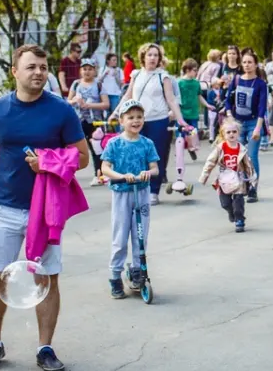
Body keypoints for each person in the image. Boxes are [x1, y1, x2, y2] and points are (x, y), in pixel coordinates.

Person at [0, 44, 90, 371]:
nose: (39, 72)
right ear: (14, 71)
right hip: (5, 208)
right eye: (32, 67)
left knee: (47, 277)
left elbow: (84, 156)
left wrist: (48, 162)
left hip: (46, 210)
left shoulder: (61, 110)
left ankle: (45, 347)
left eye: (43, 67)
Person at [114, 43, 191, 198]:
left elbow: (171, 99)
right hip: (136, 120)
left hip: (158, 120)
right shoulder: (136, 74)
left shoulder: (163, 76)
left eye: (156, 55)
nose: (153, 58)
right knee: (134, 153)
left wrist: (180, 120)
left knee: (156, 155)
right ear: (143, 57)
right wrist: (116, 113)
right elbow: (128, 96)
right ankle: (136, 187)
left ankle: (153, 191)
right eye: (150, 54)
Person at [100, 99, 160, 298]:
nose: (136, 121)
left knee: (140, 234)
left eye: (139, 117)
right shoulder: (114, 143)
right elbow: (105, 168)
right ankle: (115, 276)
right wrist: (120, 176)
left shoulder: (147, 143)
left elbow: (155, 168)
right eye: (131, 117)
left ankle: (137, 270)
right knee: (120, 235)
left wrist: (147, 173)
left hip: (141, 193)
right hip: (122, 193)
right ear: (122, 120)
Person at [199, 117, 257, 233]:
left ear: (238, 133)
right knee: (225, 204)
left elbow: (249, 166)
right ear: (223, 134)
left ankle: (239, 220)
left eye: (234, 132)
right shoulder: (220, 148)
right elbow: (210, 162)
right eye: (228, 132)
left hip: (238, 179)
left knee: (238, 202)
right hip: (224, 180)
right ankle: (231, 212)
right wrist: (204, 176)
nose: (231, 134)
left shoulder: (242, 149)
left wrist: (253, 182)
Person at [225, 52, 268, 200]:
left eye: (250, 62)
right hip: (237, 123)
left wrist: (258, 127)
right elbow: (227, 100)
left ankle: (252, 188)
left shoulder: (260, 84)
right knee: (238, 156)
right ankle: (240, 185)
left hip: (253, 122)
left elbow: (262, 107)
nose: (247, 65)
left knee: (252, 155)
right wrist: (230, 116)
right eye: (244, 62)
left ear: (255, 64)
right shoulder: (237, 80)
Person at [68, 59, 109, 184]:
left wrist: (90, 105)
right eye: (84, 69)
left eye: (90, 69)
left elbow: (106, 104)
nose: (87, 71)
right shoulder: (76, 84)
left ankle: (99, 175)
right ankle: (68, 174)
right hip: (78, 121)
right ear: (80, 70)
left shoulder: (99, 85)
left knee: (96, 149)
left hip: (95, 122)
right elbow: (68, 102)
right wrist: (75, 101)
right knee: (73, 149)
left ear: (94, 71)